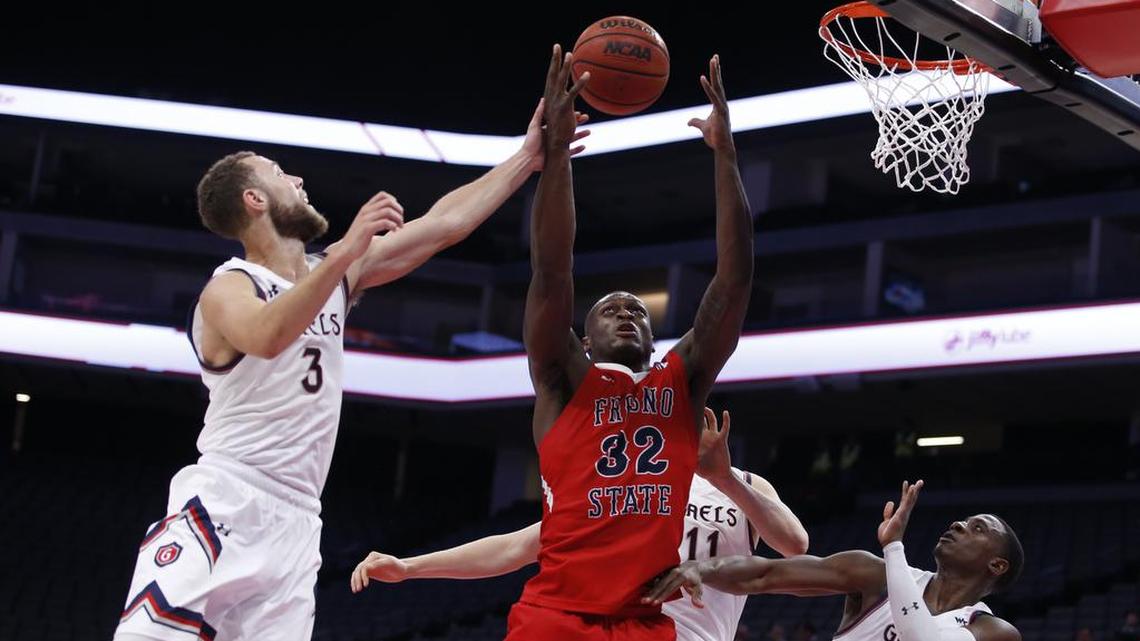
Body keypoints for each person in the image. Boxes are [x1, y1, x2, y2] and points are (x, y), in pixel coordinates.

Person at [113, 101, 589, 641]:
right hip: (228, 497)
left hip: (297, 521)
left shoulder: (333, 272)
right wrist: (345, 256)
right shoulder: (229, 285)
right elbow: (269, 336)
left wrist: (525, 159)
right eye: (279, 173)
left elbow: (443, 226)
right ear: (255, 200)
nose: (296, 178)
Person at [503, 43, 754, 640]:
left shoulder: (682, 378)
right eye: (609, 309)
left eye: (637, 311)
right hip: (556, 617)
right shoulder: (564, 380)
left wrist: (725, 156)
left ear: (652, 334)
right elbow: (552, 270)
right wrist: (558, 151)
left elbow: (735, 276)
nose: (624, 313)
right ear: (582, 339)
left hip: (644, 621)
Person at [352, 408, 808, 641]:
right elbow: (517, 547)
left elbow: (794, 544)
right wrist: (410, 566)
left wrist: (724, 477)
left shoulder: (745, 484)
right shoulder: (622, 485)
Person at [646, 481, 1024, 641]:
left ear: (997, 565)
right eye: (963, 520)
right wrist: (702, 567)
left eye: (978, 528)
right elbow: (765, 574)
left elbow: (921, 637)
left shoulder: (992, 632)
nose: (958, 524)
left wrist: (894, 547)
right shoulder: (874, 575)